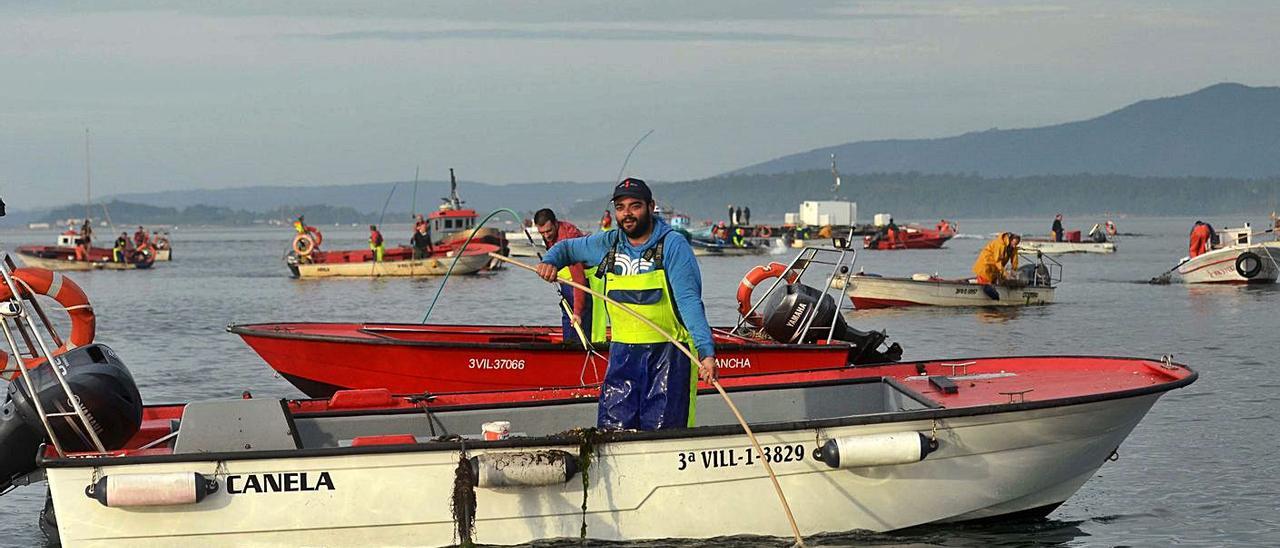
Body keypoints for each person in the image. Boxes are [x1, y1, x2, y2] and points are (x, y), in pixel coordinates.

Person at [537, 178, 716, 431]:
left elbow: (689, 302)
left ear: (651, 206)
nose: (627, 214)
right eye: (620, 207)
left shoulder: (673, 245)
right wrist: (550, 261)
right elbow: (565, 248)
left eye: (635, 206)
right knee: (611, 433)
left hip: (668, 356)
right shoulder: (608, 243)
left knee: (664, 437)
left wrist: (706, 351)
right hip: (622, 357)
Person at [533, 208, 592, 344]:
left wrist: (577, 311)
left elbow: (579, 279)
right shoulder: (550, 237)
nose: (546, 236)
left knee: (580, 331)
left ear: (555, 223)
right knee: (568, 324)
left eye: (549, 231)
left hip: (583, 288)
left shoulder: (568, 241)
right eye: (542, 233)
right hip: (567, 287)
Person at [972, 232, 1022, 298]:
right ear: (1010, 240)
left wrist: (1014, 272)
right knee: (986, 285)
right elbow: (997, 261)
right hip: (985, 267)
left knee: (994, 283)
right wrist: (1006, 274)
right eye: (1014, 244)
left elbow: (1015, 261)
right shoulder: (999, 244)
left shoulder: (1012, 247)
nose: (1014, 246)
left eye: (1017, 244)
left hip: (994, 271)